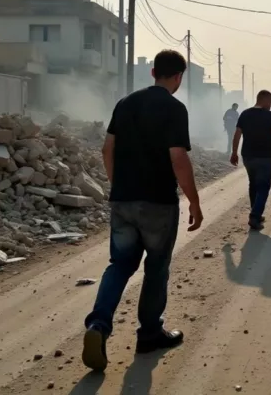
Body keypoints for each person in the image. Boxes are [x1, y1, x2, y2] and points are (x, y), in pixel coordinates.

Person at [82, 50, 202, 372]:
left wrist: (118, 185)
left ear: (152, 72)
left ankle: (98, 326)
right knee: (156, 267)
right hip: (158, 204)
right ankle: (149, 333)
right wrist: (194, 200)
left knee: (119, 265)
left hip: (123, 200)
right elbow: (178, 158)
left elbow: (107, 148)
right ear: (178, 77)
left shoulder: (125, 104)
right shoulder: (175, 109)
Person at [231, 90, 271, 230]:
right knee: (264, 186)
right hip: (263, 156)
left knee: (253, 184)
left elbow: (237, 134)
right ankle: (255, 216)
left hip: (247, 156)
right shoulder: (269, 115)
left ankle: (256, 212)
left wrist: (234, 152)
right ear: (264, 100)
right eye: (270, 101)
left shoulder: (245, 114)